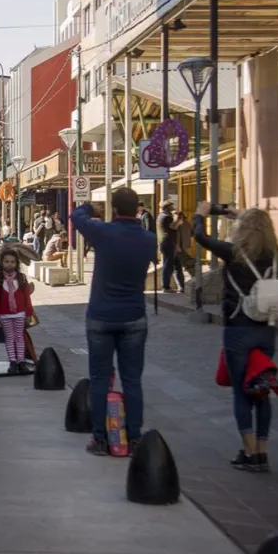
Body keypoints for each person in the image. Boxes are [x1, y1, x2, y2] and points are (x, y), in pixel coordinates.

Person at [192, 202, 278, 473]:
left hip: (238, 329)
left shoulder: (234, 253)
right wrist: (242, 214)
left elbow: (200, 237)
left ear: (244, 229)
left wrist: (200, 214)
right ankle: (262, 452)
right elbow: (257, 225)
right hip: (266, 331)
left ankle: (249, 451)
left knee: (242, 391)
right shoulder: (274, 254)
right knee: (261, 390)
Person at [71, 187, 157, 456]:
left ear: (115, 208)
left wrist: (89, 209)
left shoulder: (103, 232)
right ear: (138, 208)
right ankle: (133, 437)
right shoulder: (149, 239)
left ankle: (99, 438)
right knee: (132, 379)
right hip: (133, 315)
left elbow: (75, 215)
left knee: (99, 378)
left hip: (101, 316)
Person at [0, 246, 36, 375]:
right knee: (10, 339)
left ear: (17, 263)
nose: (9, 264)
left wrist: (29, 313)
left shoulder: (21, 278)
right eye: (6, 261)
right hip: (5, 315)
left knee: (19, 338)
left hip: (20, 314)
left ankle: (21, 362)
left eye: (12, 262)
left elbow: (26, 297)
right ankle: (12, 362)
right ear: (1, 262)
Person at [158, 202, 183, 293]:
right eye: (171, 207)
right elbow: (173, 227)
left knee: (176, 265)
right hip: (169, 243)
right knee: (168, 265)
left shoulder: (160, 216)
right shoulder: (166, 217)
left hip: (165, 243)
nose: (173, 208)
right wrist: (177, 219)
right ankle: (166, 286)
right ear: (167, 208)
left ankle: (181, 286)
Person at [174, 211, 194, 283]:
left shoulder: (178, 224)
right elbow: (192, 234)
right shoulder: (188, 224)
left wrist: (177, 245)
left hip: (180, 246)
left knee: (181, 263)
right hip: (186, 245)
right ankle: (192, 275)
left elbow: (177, 236)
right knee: (186, 261)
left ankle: (191, 274)